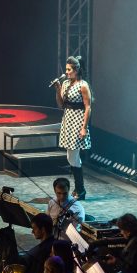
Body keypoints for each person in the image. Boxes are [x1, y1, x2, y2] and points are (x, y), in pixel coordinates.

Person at [54, 55, 92, 200]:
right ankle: (79, 189)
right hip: (67, 119)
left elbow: (88, 107)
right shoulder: (65, 84)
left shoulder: (83, 85)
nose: (67, 72)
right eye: (66, 69)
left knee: (73, 157)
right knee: (71, 157)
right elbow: (61, 104)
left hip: (77, 120)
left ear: (76, 70)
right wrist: (58, 89)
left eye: (69, 70)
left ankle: (80, 190)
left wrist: (83, 127)